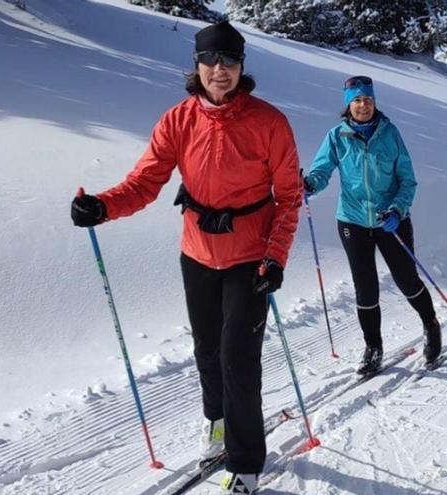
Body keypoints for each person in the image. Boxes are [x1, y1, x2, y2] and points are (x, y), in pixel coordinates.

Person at [71, 21, 302, 494]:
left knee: (239, 359)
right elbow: (145, 181)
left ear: (242, 66)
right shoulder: (178, 120)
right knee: (207, 352)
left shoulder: (269, 122)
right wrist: (103, 206)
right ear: (197, 66)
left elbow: (290, 196)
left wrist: (275, 257)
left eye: (230, 61)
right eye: (211, 61)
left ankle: (245, 464)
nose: (221, 70)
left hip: (249, 258)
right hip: (197, 254)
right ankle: (216, 423)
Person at [303, 75, 441, 375]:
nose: (363, 105)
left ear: (374, 102)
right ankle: (373, 347)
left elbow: (408, 179)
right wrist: (309, 184)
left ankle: (430, 324)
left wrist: (397, 209)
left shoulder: (389, 133)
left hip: (391, 221)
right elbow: (322, 170)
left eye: (368, 99)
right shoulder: (337, 136)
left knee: (406, 280)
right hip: (352, 221)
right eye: (357, 100)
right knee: (365, 288)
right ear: (348, 104)